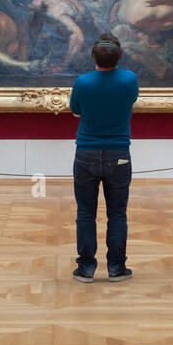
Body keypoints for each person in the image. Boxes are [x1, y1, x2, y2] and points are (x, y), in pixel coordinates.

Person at [69, 33, 139, 283]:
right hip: (119, 153)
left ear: (93, 57)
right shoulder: (130, 79)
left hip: (86, 152)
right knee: (117, 213)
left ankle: (86, 268)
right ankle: (116, 268)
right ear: (119, 57)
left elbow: (75, 110)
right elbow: (130, 101)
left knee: (86, 213)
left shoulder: (83, 82)